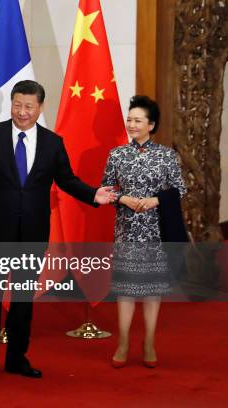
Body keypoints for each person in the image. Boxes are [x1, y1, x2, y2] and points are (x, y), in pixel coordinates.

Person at [0, 80, 116, 386]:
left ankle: (17, 359)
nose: (21, 112)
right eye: (17, 105)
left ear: (40, 108)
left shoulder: (52, 143)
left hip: (32, 231)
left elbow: (68, 180)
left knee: (22, 298)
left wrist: (93, 195)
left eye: (28, 107)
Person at [101, 95, 186, 368]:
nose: (132, 124)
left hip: (155, 230)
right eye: (129, 119)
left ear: (151, 124)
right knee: (125, 289)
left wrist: (156, 200)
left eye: (137, 120)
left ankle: (148, 341)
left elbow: (180, 188)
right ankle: (123, 342)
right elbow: (106, 189)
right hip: (126, 229)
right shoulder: (116, 154)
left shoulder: (167, 156)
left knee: (152, 290)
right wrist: (122, 198)